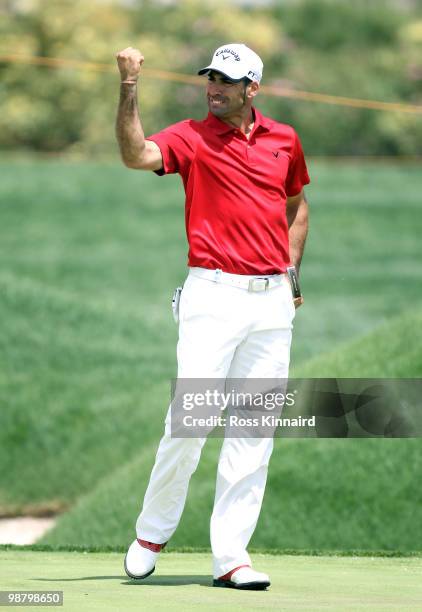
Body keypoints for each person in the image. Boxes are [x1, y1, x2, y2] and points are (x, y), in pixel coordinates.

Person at [115, 43, 310, 590]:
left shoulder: (284, 140)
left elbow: (295, 204)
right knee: (191, 421)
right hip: (212, 294)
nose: (214, 87)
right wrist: (129, 87)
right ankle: (151, 535)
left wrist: (292, 272)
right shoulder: (190, 137)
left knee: (254, 430)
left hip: (271, 302)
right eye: (211, 78)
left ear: (253, 89)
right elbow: (136, 156)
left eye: (227, 80)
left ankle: (231, 557)